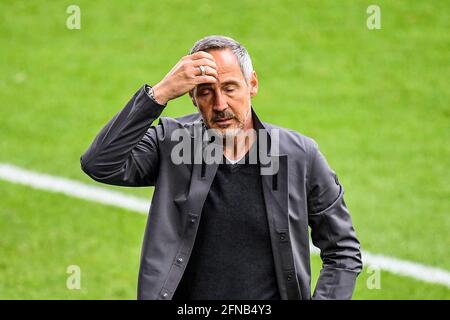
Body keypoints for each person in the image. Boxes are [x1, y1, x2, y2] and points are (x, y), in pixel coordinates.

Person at [80, 35, 362, 300]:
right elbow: (100, 163)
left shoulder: (300, 155)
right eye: (205, 92)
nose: (220, 104)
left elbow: (342, 250)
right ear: (191, 97)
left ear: (252, 84)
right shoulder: (171, 143)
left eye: (229, 88)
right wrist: (160, 93)